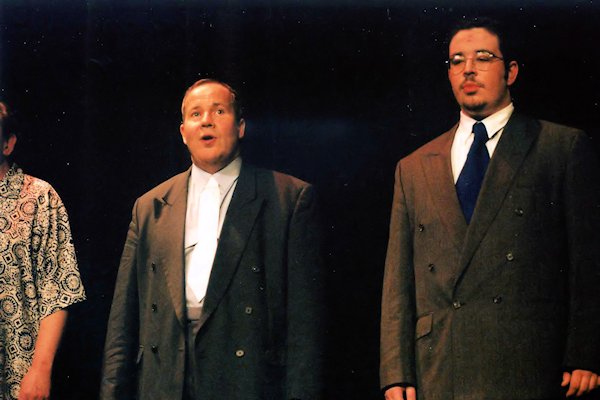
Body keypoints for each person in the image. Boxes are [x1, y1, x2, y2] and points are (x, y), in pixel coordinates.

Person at [380, 18, 600, 400]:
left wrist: (585, 353)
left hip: (527, 363)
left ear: (510, 71)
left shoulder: (558, 147)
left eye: (483, 58)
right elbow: (398, 279)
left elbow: (588, 259)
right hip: (440, 367)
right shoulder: (413, 167)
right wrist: (396, 372)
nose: (468, 69)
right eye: (456, 61)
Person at [100, 79, 324, 399]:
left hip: (246, 380)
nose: (206, 120)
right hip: (165, 379)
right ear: (183, 133)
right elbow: (122, 321)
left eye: (219, 111)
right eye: (196, 114)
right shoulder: (150, 206)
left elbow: (305, 324)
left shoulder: (288, 198)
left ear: (240, 126)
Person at [0, 102, 86, 400]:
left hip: (18, 371)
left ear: (8, 143)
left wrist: (40, 369)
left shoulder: (38, 197)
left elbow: (59, 289)